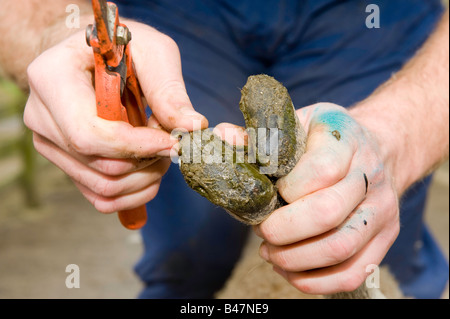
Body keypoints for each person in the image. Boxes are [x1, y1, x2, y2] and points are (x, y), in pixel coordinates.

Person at [0, 0, 448, 299]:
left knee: (362, 235)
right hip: (170, 15)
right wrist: (54, 33)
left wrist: (397, 135)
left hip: (373, 14)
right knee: (188, 259)